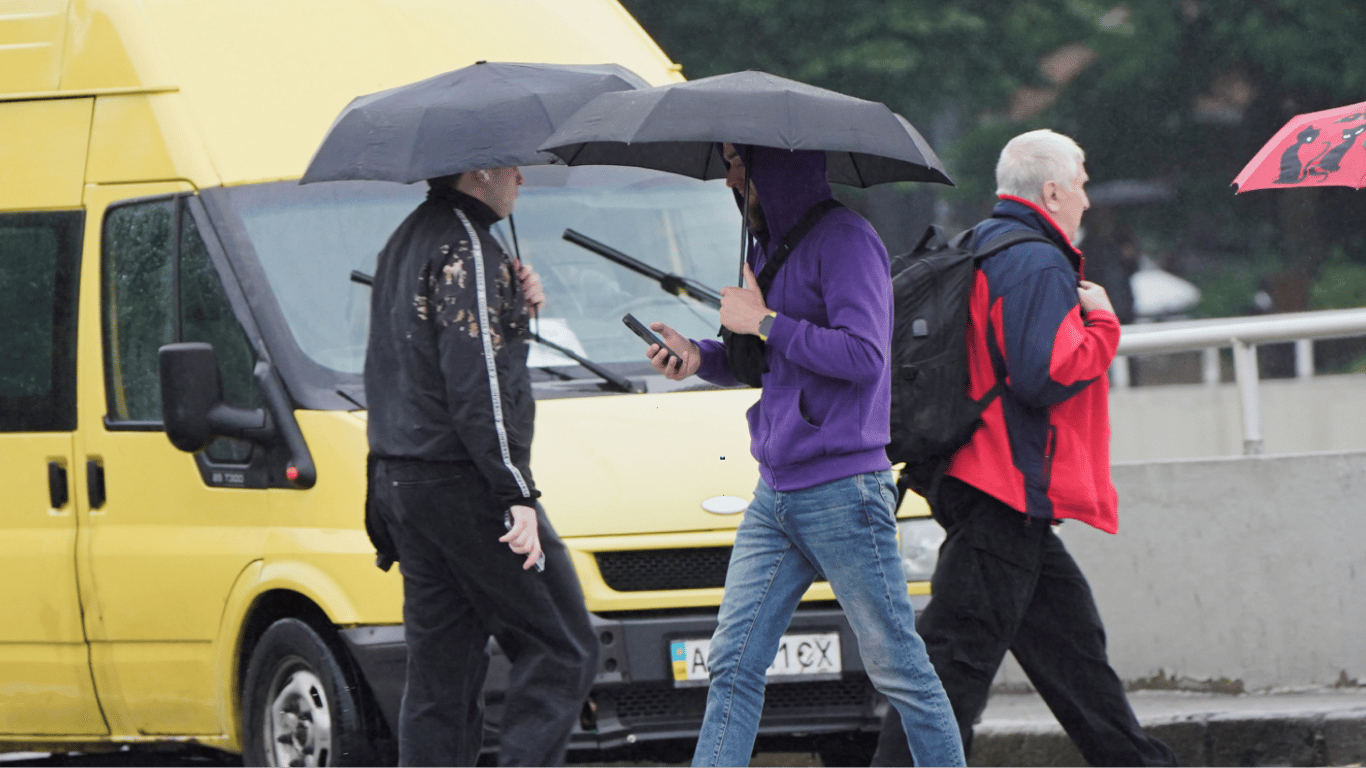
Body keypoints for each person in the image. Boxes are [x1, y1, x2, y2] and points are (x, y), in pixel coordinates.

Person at [646, 143, 965, 767]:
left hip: (844, 490)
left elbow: (864, 358)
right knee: (732, 663)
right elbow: (766, 364)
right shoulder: (765, 246)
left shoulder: (847, 240)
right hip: (777, 491)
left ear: (776, 168)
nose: (729, 176)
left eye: (739, 164)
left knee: (900, 671)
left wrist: (764, 321)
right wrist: (698, 357)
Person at [871, 129, 1178, 767]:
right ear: (1052, 190)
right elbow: (1042, 376)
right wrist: (1103, 324)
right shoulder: (1036, 259)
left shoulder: (985, 243)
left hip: (983, 480)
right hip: (1003, 488)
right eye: (1084, 184)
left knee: (1073, 650)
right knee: (955, 657)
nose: (1088, 201)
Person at [364, 167, 599, 767]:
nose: (522, 176)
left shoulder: (407, 239)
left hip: (403, 478)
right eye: (512, 165)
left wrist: (515, 311)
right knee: (563, 646)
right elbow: (477, 382)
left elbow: (416, 359)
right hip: (464, 480)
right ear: (480, 172)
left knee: (442, 674)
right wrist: (514, 489)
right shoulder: (466, 245)